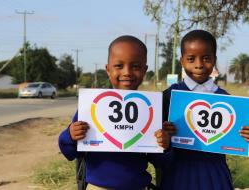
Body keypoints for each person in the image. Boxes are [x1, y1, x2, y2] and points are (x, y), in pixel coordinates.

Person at [59, 35, 171, 190]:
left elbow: (160, 161)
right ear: (108, 69)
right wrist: (71, 136)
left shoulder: (150, 110)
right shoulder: (92, 106)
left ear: (145, 70)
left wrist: (165, 145)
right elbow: (68, 152)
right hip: (97, 187)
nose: (127, 72)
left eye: (136, 66)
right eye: (119, 66)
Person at [159, 29, 249, 190]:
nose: (199, 65)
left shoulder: (227, 101)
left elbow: (237, 139)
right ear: (182, 61)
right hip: (177, 174)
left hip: (215, 175)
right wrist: (164, 138)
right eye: (191, 59)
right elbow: (156, 143)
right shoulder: (168, 96)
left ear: (214, 59)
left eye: (206, 58)